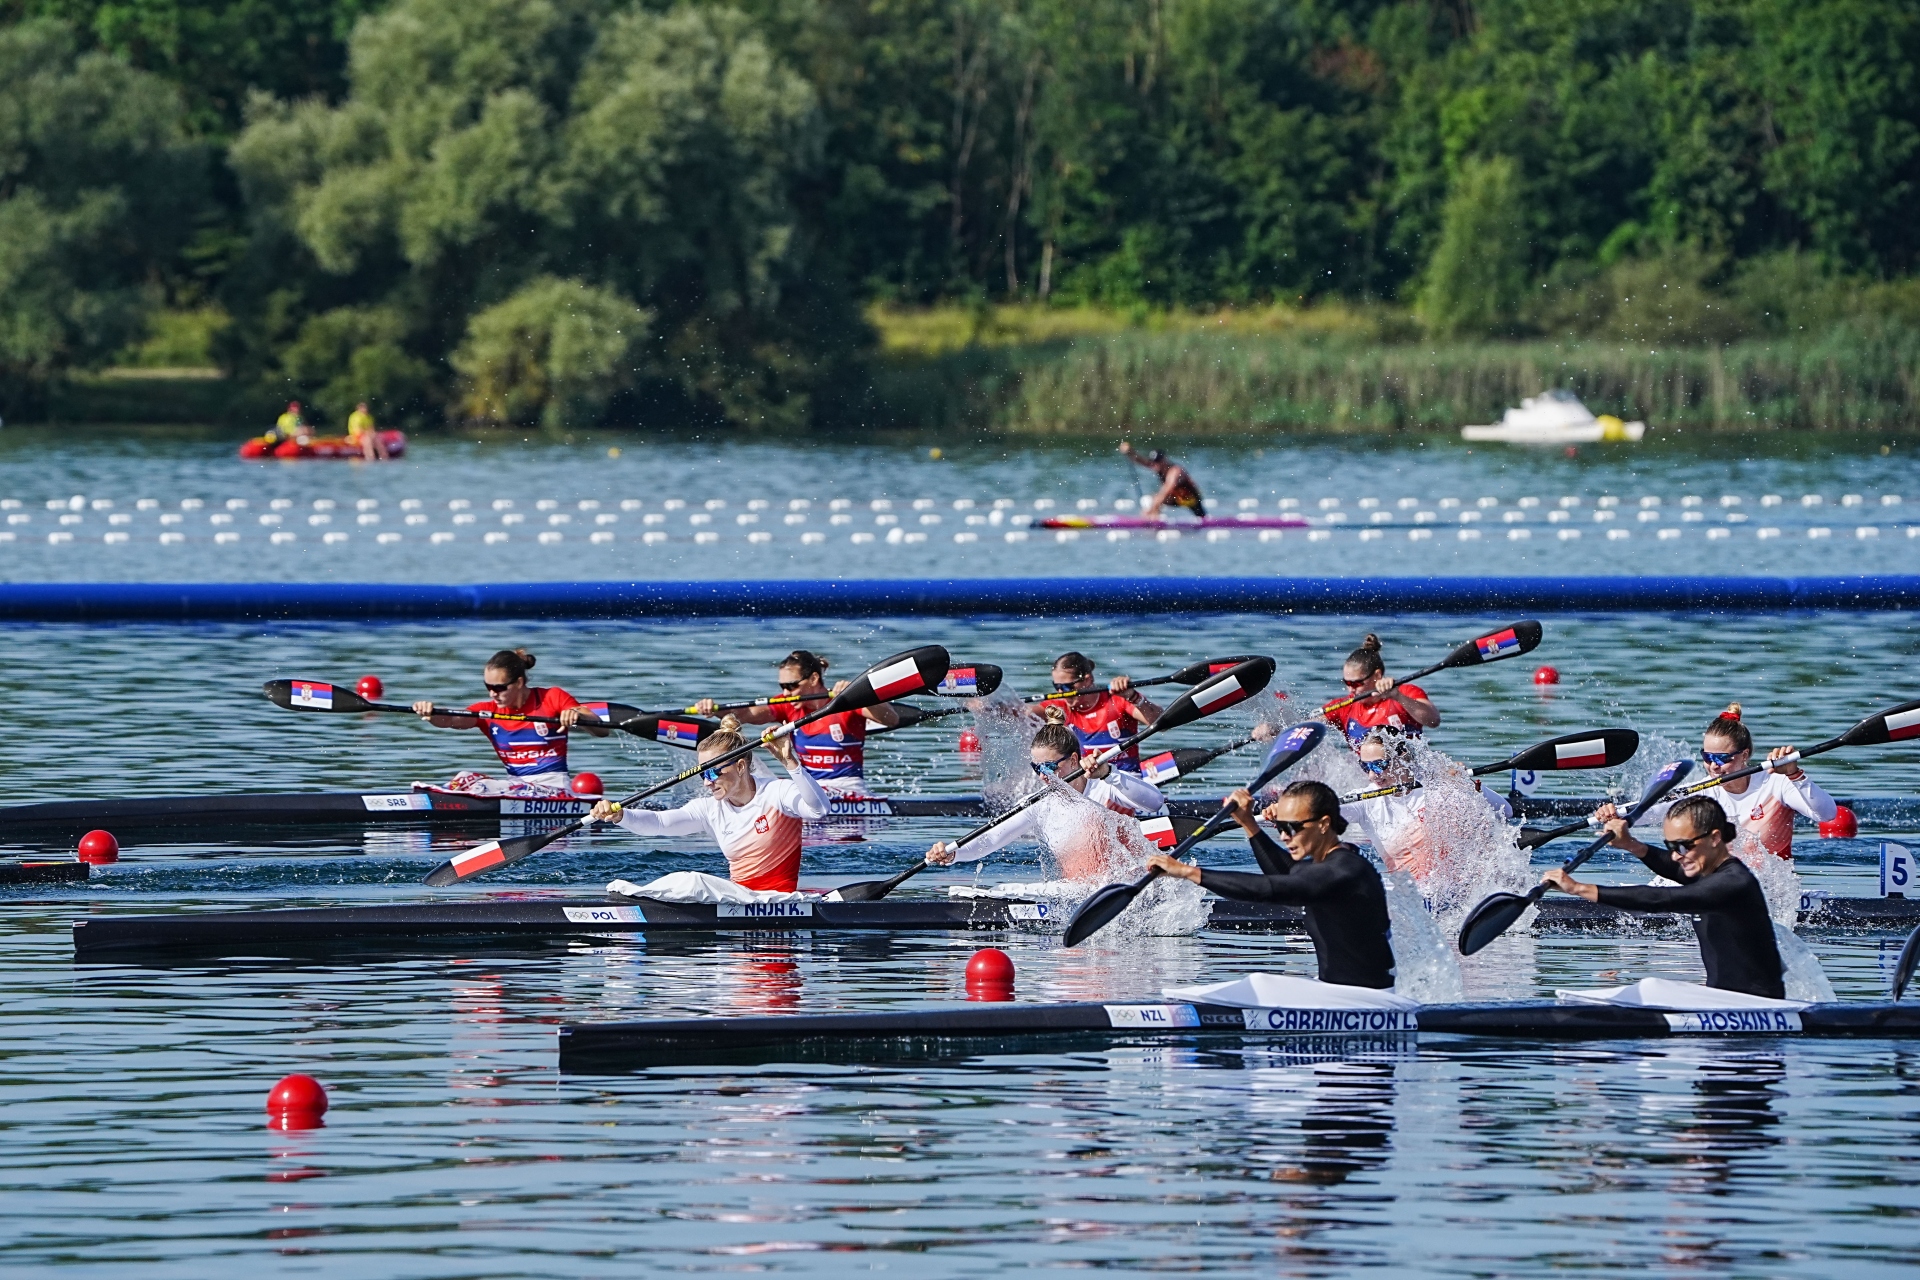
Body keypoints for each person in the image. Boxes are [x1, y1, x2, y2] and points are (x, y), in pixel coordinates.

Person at [1147, 780, 1395, 989]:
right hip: (1338, 994)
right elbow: (1288, 873)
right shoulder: (1329, 864)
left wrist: (1187, 872)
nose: (1284, 836)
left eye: (1292, 827)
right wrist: (1249, 824)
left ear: (1324, 824)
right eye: (1280, 826)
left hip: (1367, 1002)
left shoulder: (1344, 871)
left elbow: (1271, 888)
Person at [1544, 795, 1784, 998]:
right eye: (1671, 847)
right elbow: (1674, 870)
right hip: (1724, 1002)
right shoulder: (1708, 872)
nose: (1676, 856)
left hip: (1756, 1009)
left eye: (1682, 847)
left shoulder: (1733, 883)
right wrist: (1631, 845)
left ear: (1715, 838)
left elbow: (1659, 898)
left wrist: (1578, 889)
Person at [588, 718, 831, 892]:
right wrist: (620, 815)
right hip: (741, 900)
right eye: (703, 774)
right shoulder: (709, 808)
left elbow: (819, 809)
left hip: (777, 902)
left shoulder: (776, 792)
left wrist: (790, 762)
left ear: (740, 766)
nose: (707, 782)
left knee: (693, 882)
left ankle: (631, 900)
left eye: (714, 773)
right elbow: (659, 823)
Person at [924, 721, 1166, 880]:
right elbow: (991, 838)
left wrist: (1109, 773)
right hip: (1077, 894)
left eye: (1050, 766)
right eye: (1036, 767)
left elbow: (1155, 802)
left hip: (1130, 884)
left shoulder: (1103, 786)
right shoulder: (1039, 804)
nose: (1042, 775)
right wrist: (953, 854)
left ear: (1073, 759)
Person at [1594, 704, 1834, 861]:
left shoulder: (1775, 783)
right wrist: (1617, 817)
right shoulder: (1702, 793)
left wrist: (1794, 774)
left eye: (1722, 758)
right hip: (1720, 885)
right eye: (1707, 757)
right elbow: (1651, 811)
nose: (1713, 766)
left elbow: (1827, 814)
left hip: (1769, 891)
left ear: (1745, 755)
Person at [693, 650, 901, 795]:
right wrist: (717, 709)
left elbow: (891, 719)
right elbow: (747, 713)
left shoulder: (846, 702)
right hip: (809, 787)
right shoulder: (788, 705)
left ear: (813, 679)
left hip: (848, 789)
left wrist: (860, 696)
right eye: (782, 686)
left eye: (791, 686)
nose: (785, 693)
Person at [411, 648, 607, 795]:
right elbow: (452, 719)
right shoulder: (488, 711)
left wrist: (577, 715)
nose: (492, 693)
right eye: (488, 686)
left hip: (554, 790)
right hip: (516, 790)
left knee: (482, 786)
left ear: (519, 682)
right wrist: (431, 713)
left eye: (499, 687)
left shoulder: (551, 697)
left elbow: (601, 730)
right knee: (464, 777)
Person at [1340, 731, 1511, 882]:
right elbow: (1325, 814)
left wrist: (1465, 784)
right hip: (1410, 898)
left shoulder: (1436, 786)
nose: (1371, 776)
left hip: (1459, 890)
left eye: (1378, 765)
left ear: (1401, 757)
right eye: (1365, 766)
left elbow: (1506, 811)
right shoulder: (1365, 802)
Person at [1045, 651, 1161, 772]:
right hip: (1091, 780)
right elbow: (1026, 714)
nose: (1060, 693)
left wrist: (1133, 696)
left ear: (1088, 680)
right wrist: (1022, 706)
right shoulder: (1060, 708)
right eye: (1056, 686)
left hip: (1128, 778)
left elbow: (1159, 723)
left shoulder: (1117, 699)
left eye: (1066, 687)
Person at [1322, 633, 1440, 742]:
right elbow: (1310, 726)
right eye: (1347, 683)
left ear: (1377, 675)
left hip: (1405, 763)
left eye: (1356, 684)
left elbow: (1434, 720)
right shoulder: (1343, 707)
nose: (1351, 689)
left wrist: (1398, 697)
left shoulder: (1405, 692)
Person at [1119, 441, 1205, 518]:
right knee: (1152, 499)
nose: (1155, 465)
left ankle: (1205, 521)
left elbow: (1167, 489)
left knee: (1157, 499)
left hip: (1190, 499)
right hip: (1176, 498)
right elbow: (1141, 461)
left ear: (1164, 460)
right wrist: (1130, 452)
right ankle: (1154, 522)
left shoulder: (1175, 471)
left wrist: (1151, 508)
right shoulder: (1158, 466)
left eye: (1158, 462)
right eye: (1154, 462)